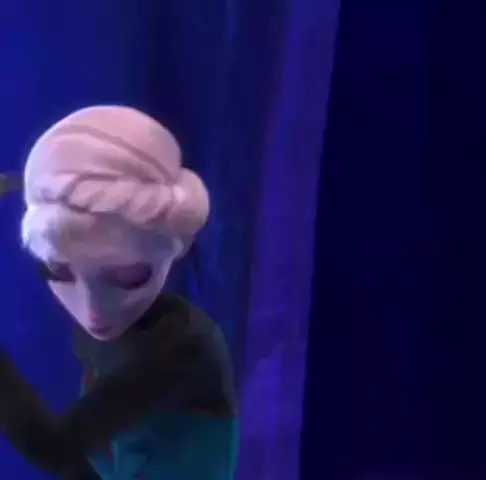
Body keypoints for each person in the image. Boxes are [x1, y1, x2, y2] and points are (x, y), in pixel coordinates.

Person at [0, 106, 238, 479]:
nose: (92, 309)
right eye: (59, 272)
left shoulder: (183, 347)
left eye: (127, 277)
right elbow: (87, 460)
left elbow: (56, 449)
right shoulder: (98, 336)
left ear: (175, 248)